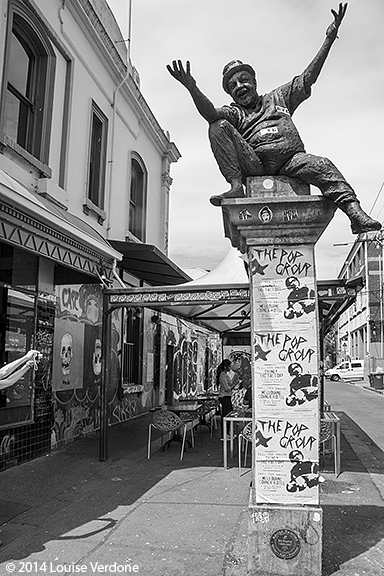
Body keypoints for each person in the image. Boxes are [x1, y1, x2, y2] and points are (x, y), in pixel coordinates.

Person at [167, 3, 381, 235]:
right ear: (230, 93)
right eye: (233, 85)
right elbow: (210, 114)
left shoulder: (279, 96)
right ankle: (236, 186)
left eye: (243, 79)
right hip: (256, 165)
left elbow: (308, 77)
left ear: (254, 81)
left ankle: (355, 214)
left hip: (292, 160)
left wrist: (329, 39)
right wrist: (192, 87)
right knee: (217, 126)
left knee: (323, 165)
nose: (239, 86)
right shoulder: (235, 112)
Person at [216, 359, 237, 439]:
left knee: (228, 414)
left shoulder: (225, 374)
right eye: (229, 366)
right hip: (224, 397)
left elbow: (230, 383)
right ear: (225, 367)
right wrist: (234, 384)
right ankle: (224, 434)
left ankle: (227, 433)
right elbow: (227, 388)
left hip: (227, 396)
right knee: (226, 416)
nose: (230, 368)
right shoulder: (222, 375)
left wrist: (235, 379)